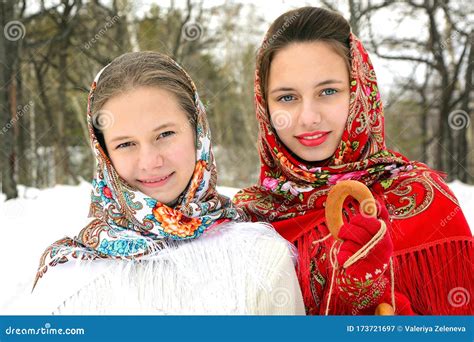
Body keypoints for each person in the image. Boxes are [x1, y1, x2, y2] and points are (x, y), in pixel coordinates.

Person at [233, 7, 473, 315]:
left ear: (360, 91)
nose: (308, 117)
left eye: (328, 91)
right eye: (287, 98)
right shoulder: (245, 224)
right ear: (264, 106)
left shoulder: (425, 202)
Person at [27, 51, 304, 315]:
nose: (150, 161)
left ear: (198, 132)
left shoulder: (261, 258)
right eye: (125, 144)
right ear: (104, 154)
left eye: (165, 134)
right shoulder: (68, 276)